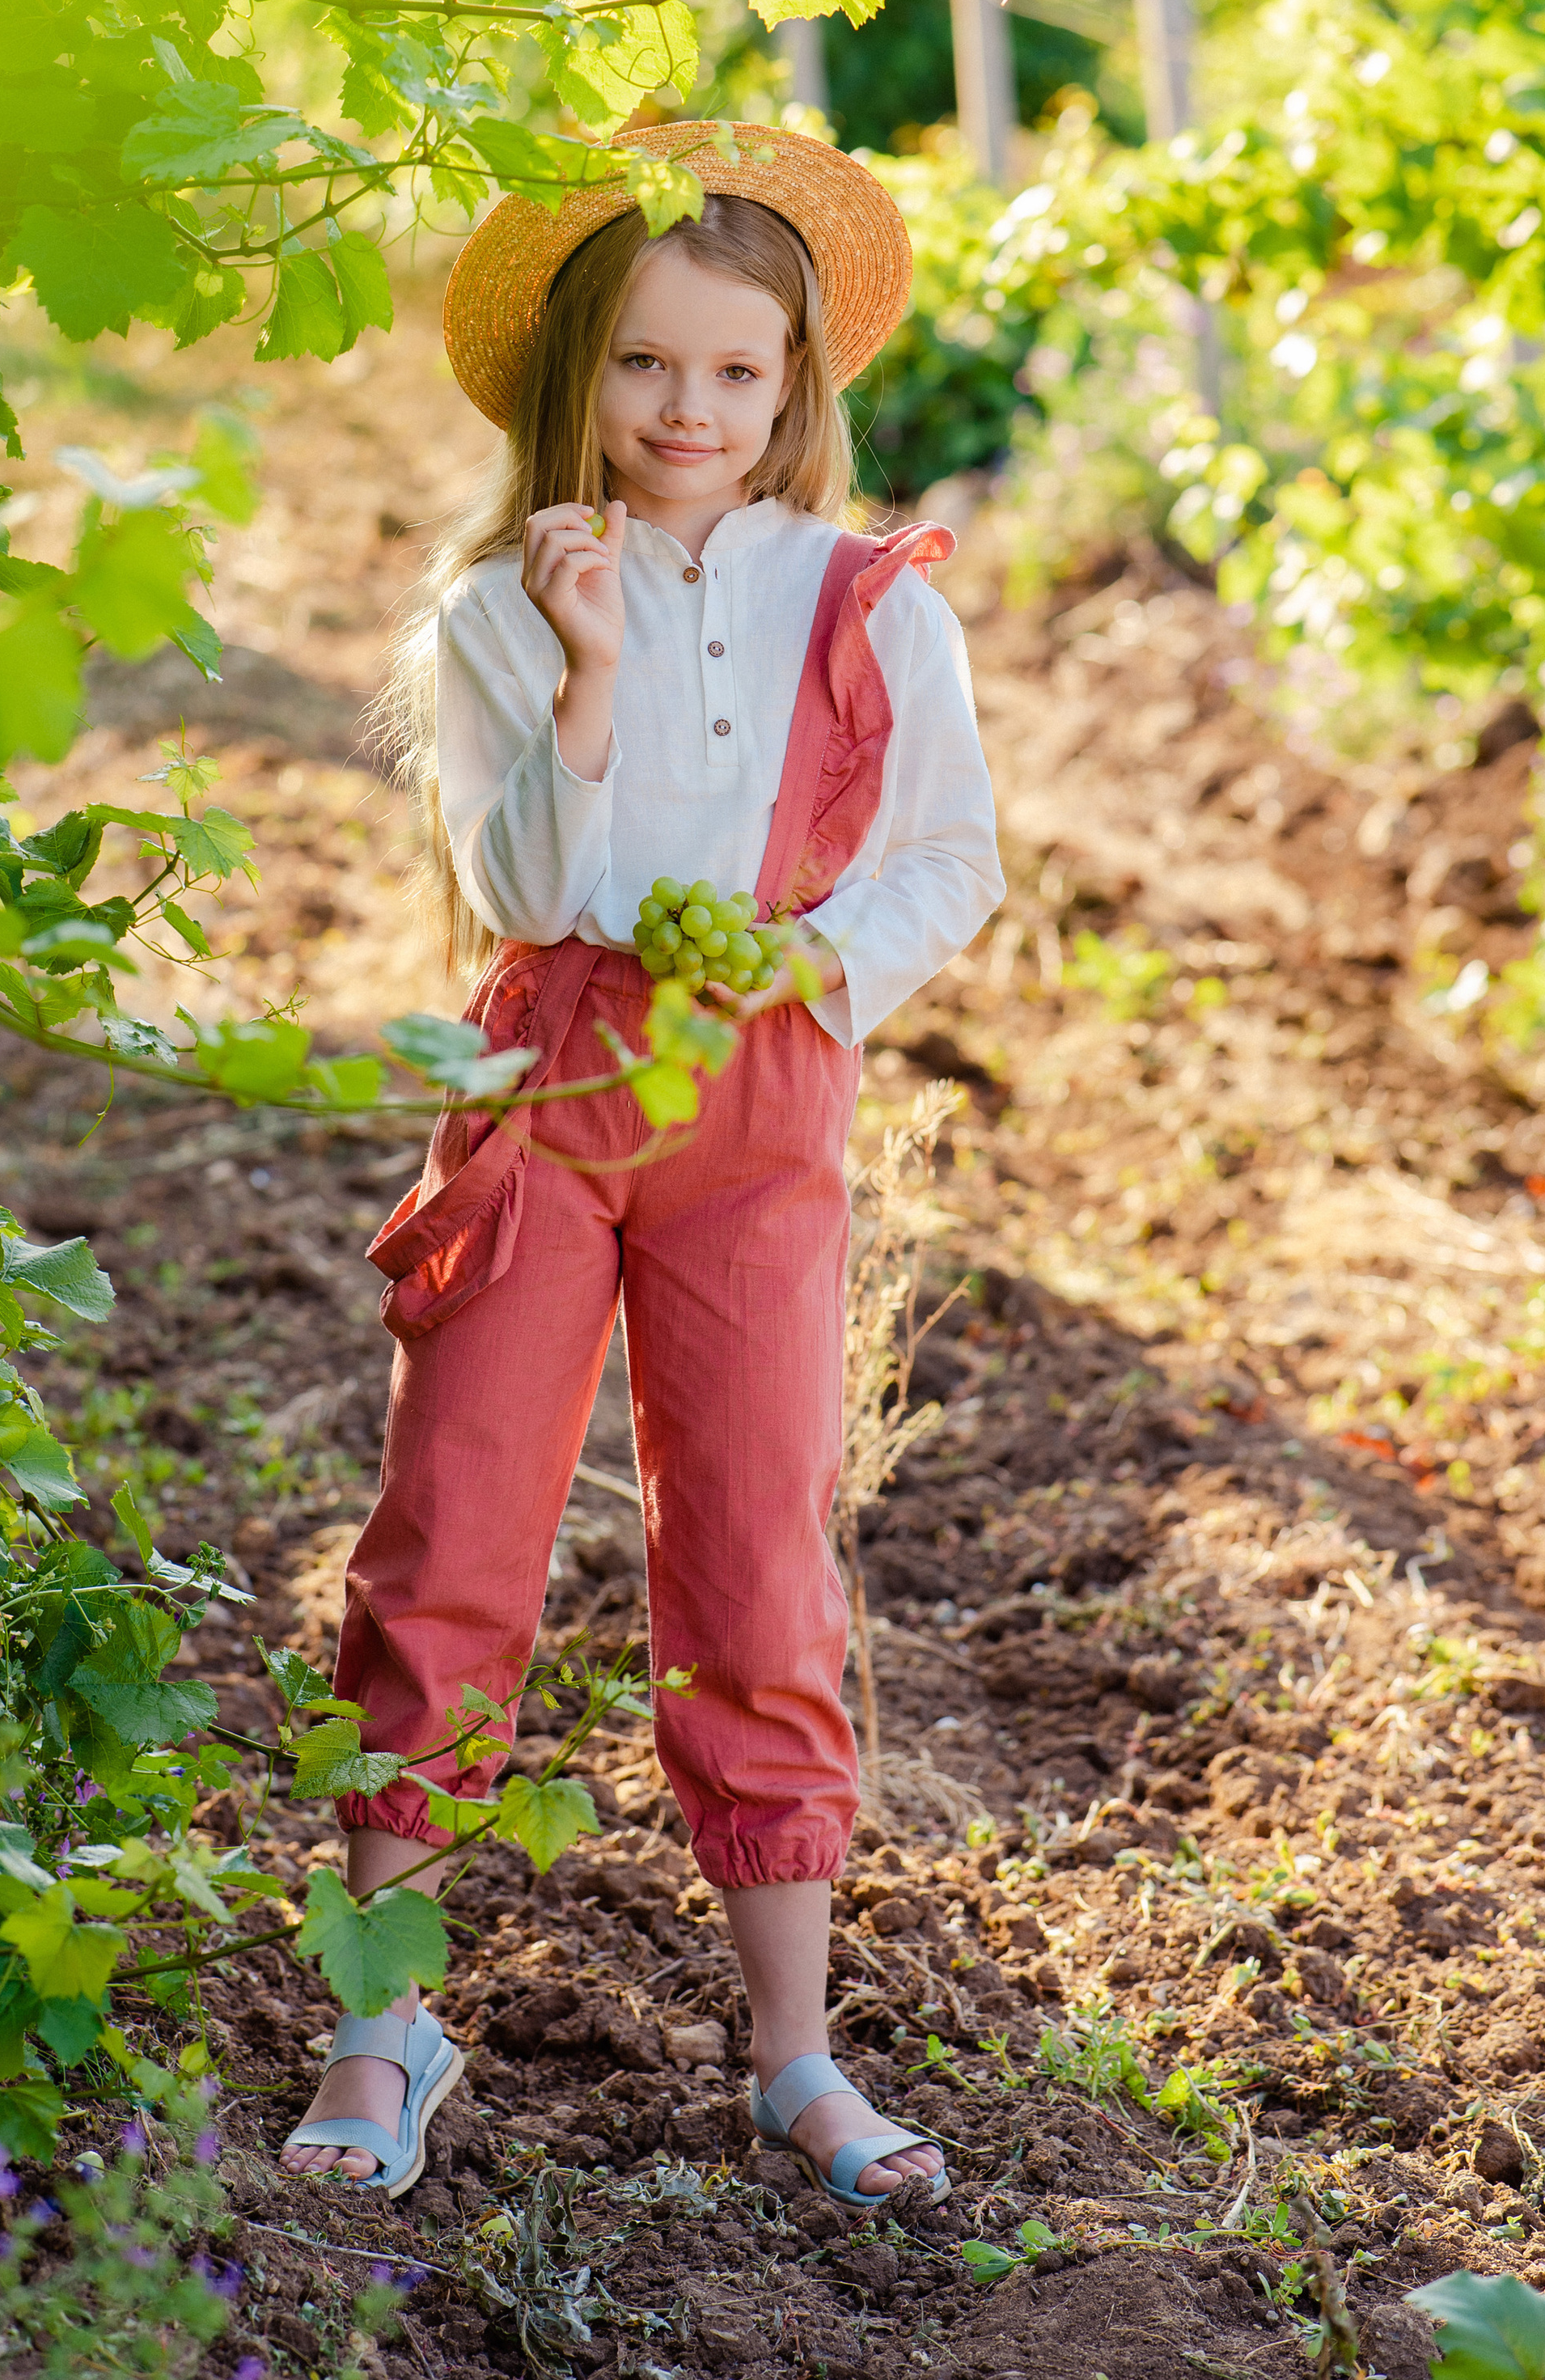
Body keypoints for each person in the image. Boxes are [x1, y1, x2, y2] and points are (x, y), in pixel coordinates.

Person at [279, 122, 1005, 2208]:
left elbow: (946, 859)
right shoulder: (504, 607)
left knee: (760, 1558)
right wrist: (590, 660)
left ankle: (797, 2050)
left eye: (737, 376)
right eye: (645, 371)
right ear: (572, 376)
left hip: (761, 1081)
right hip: (555, 1070)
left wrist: (819, 958)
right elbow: (528, 882)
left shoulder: (866, 605)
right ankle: (381, 2022)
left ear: (797, 393)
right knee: (455, 1535)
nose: (690, 415)